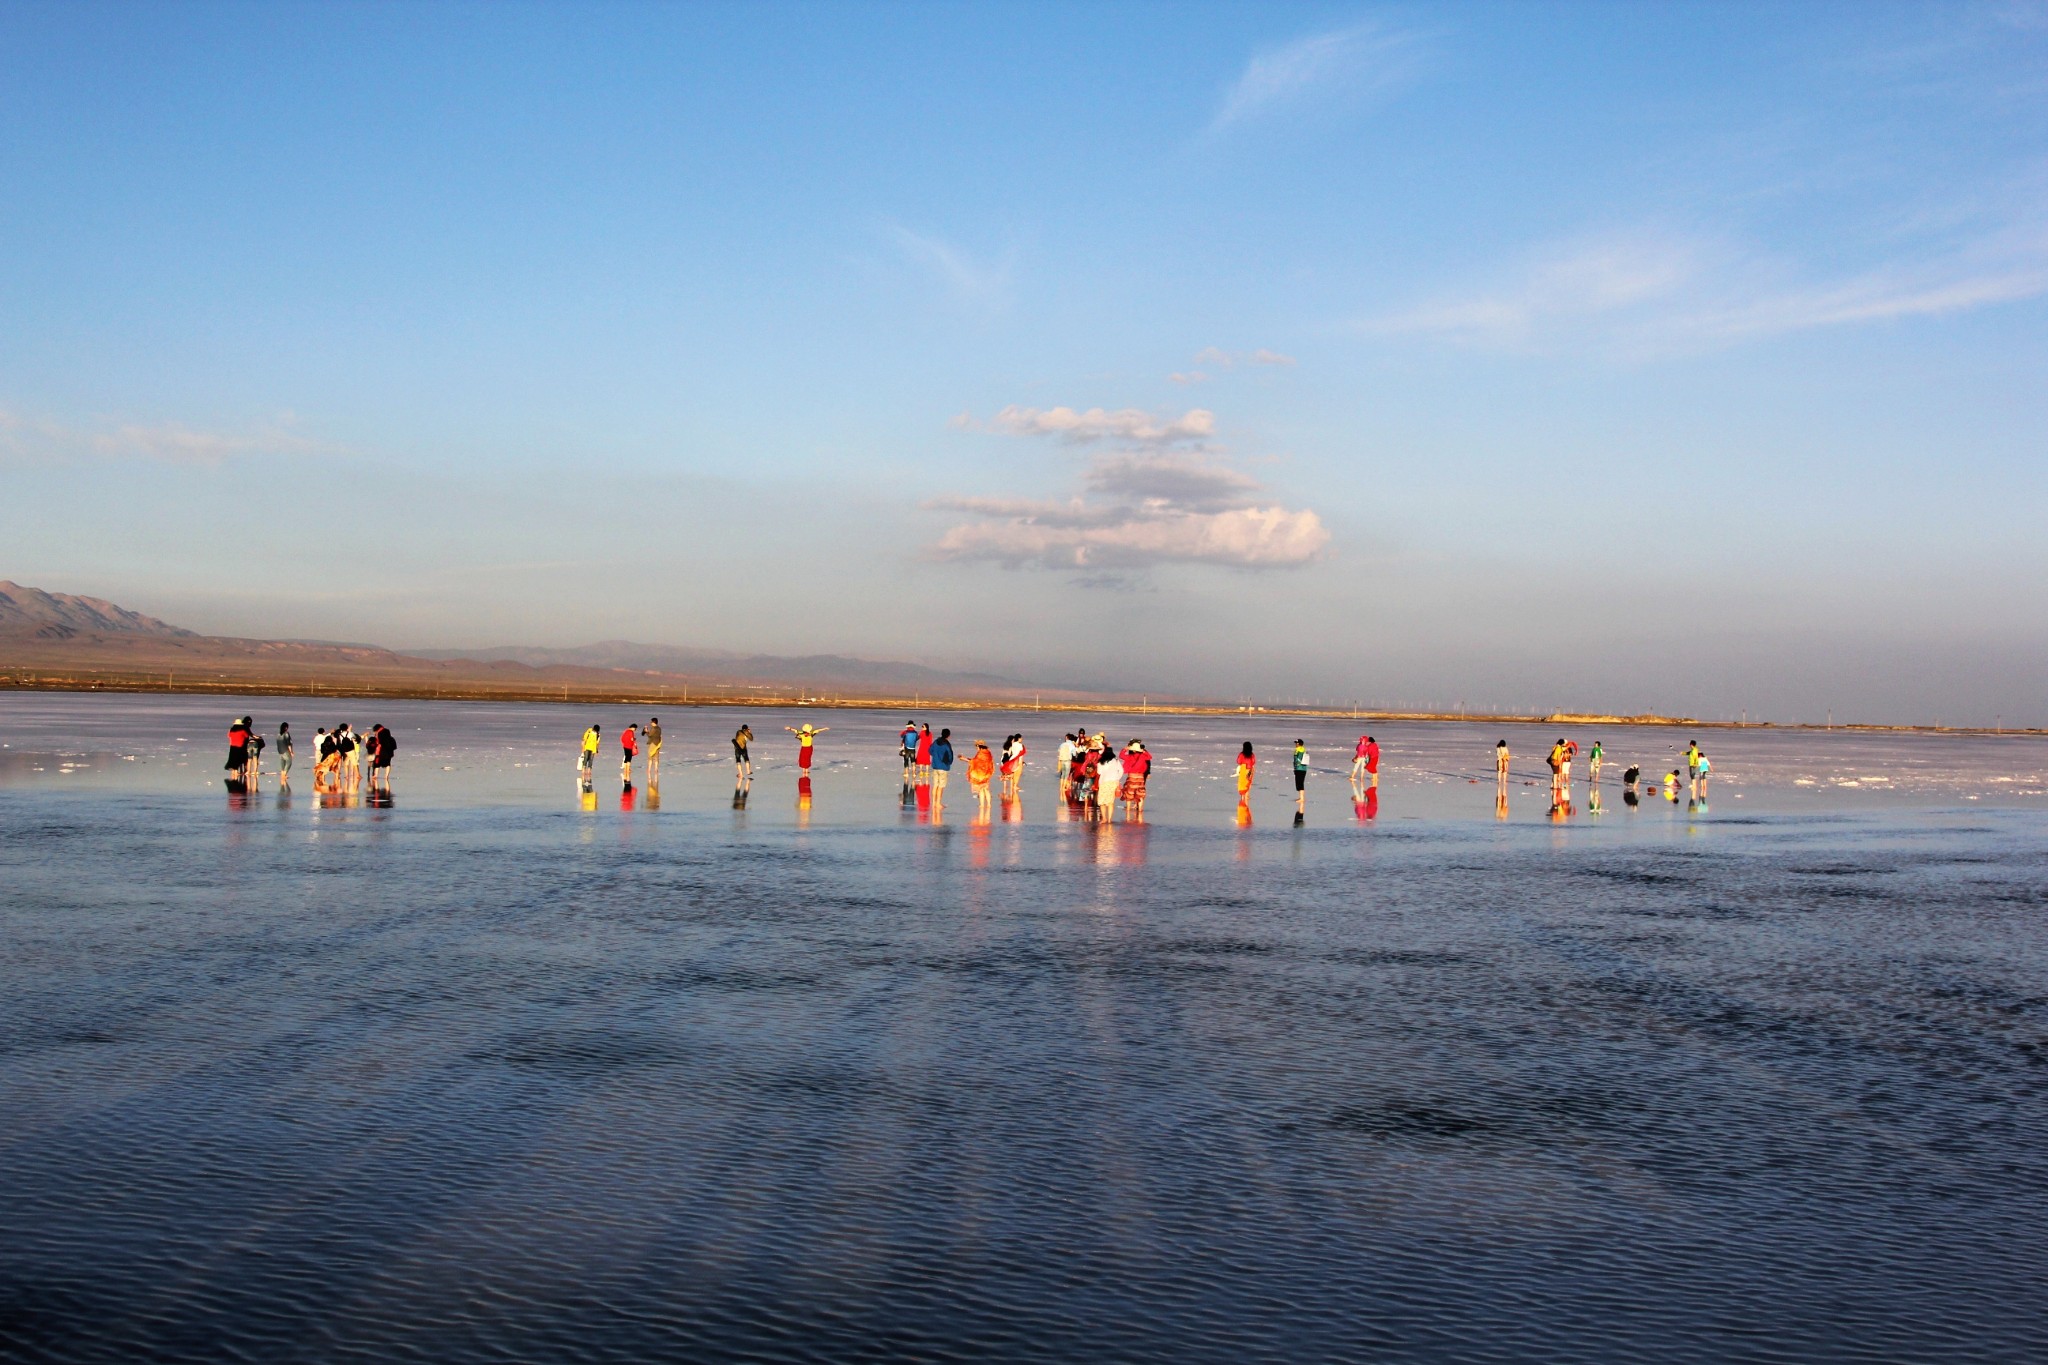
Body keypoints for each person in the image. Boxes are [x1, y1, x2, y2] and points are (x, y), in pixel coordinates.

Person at [1120, 740, 1150, 815]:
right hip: (1140, 777)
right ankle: (1140, 810)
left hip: (1131, 776)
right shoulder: (1143, 756)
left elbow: (1121, 755)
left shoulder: (1130, 756)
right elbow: (1149, 757)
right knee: (1140, 794)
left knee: (1129, 793)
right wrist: (1144, 751)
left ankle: (1128, 811)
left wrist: (1125, 749)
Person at [1096, 742, 1123, 819]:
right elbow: (1121, 770)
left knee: (1102, 802)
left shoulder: (1101, 761)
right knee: (1110, 802)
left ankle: (1104, 818)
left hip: (1104, 782)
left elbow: (1099, 772)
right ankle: (1109, 819)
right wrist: (1117, 778)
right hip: (1114, 782)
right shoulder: (1116, 761)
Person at [969, 740, 995, 814]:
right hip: (987, 773)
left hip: (980, 773)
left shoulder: (980, 753)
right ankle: (989, 805)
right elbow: (990, 762)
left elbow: (975, 761)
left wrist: (964, 759)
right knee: (986, 789)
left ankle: (982, 804)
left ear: (978, 746)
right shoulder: (988, 752)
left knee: (981, 789)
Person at [929, 727, 954, 803]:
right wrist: (948, 762)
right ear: (948, 736)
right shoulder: (947, 744)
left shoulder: (936, 742)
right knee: (941, 786)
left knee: (935, 785)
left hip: (935, 766)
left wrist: (935, 756)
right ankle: (938, 803)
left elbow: (930, 750)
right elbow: (950, 755)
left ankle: (933, 802)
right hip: (943, 767)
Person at [1292, 738, 1309, 812]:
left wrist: (1296, 767)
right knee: (1300, 782)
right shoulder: (1304, 749)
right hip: (1303, 769)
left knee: (1299, 783)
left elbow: (1297, 760)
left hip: (1300, 768)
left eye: (1296, 743)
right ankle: (1301, 797)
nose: (1296, 744)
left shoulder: (1299, 750)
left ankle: (1302, 798)